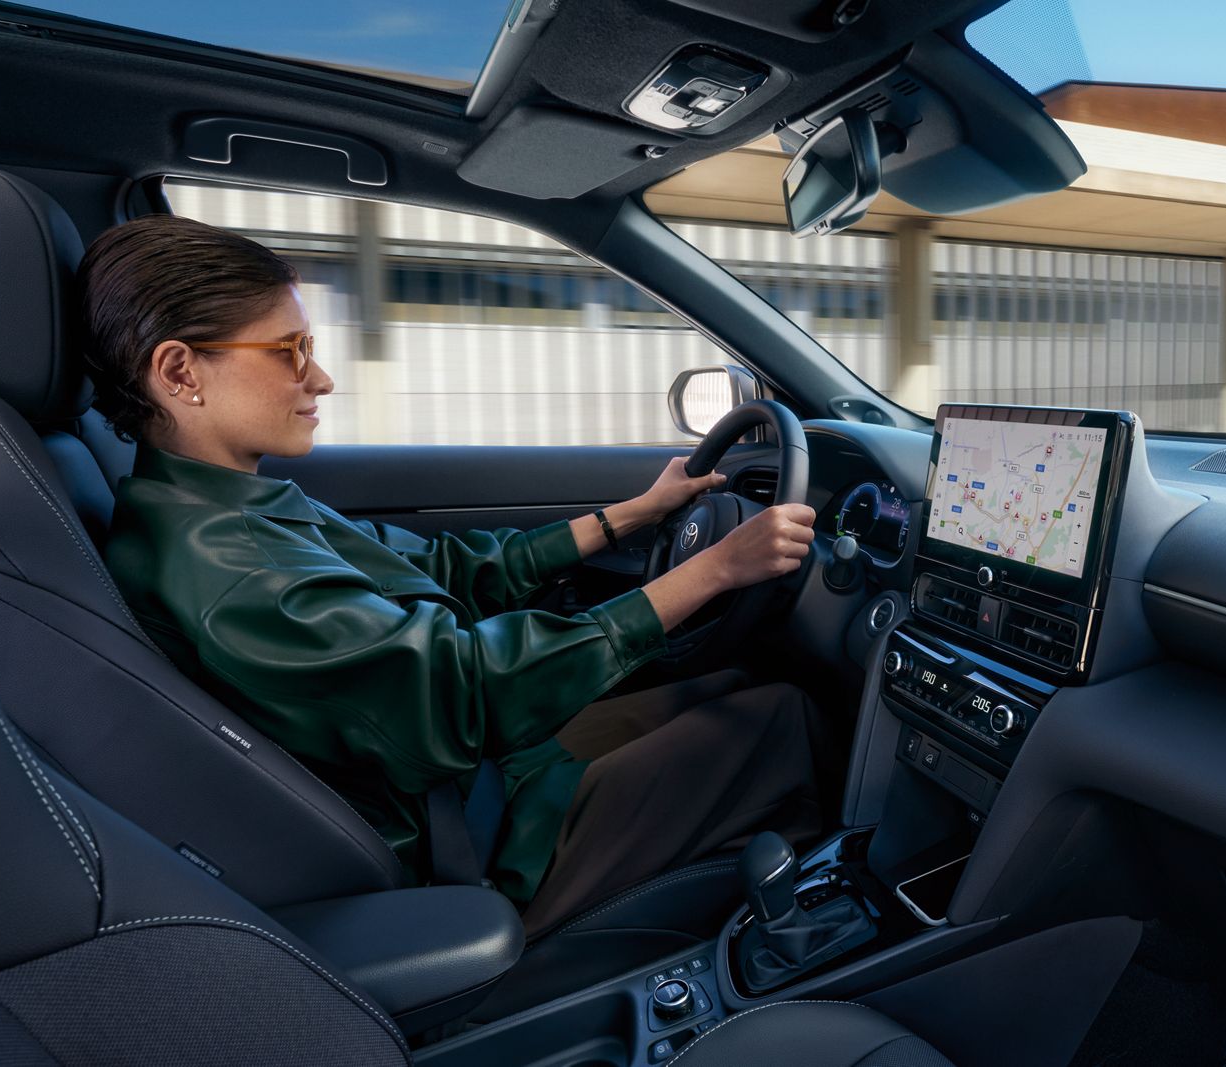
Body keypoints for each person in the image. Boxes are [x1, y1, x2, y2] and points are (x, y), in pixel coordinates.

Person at [80, 214, 828, 935]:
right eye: (289, 350)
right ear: (181, 371)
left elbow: (439, 568)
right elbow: (462, 690)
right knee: (784, 720)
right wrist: (710, 571)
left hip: (477, 783)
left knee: (728, 690)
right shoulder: (233, 568)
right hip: (472, 845)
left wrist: (629, 516)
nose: (323, 377)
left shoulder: (221, 502)